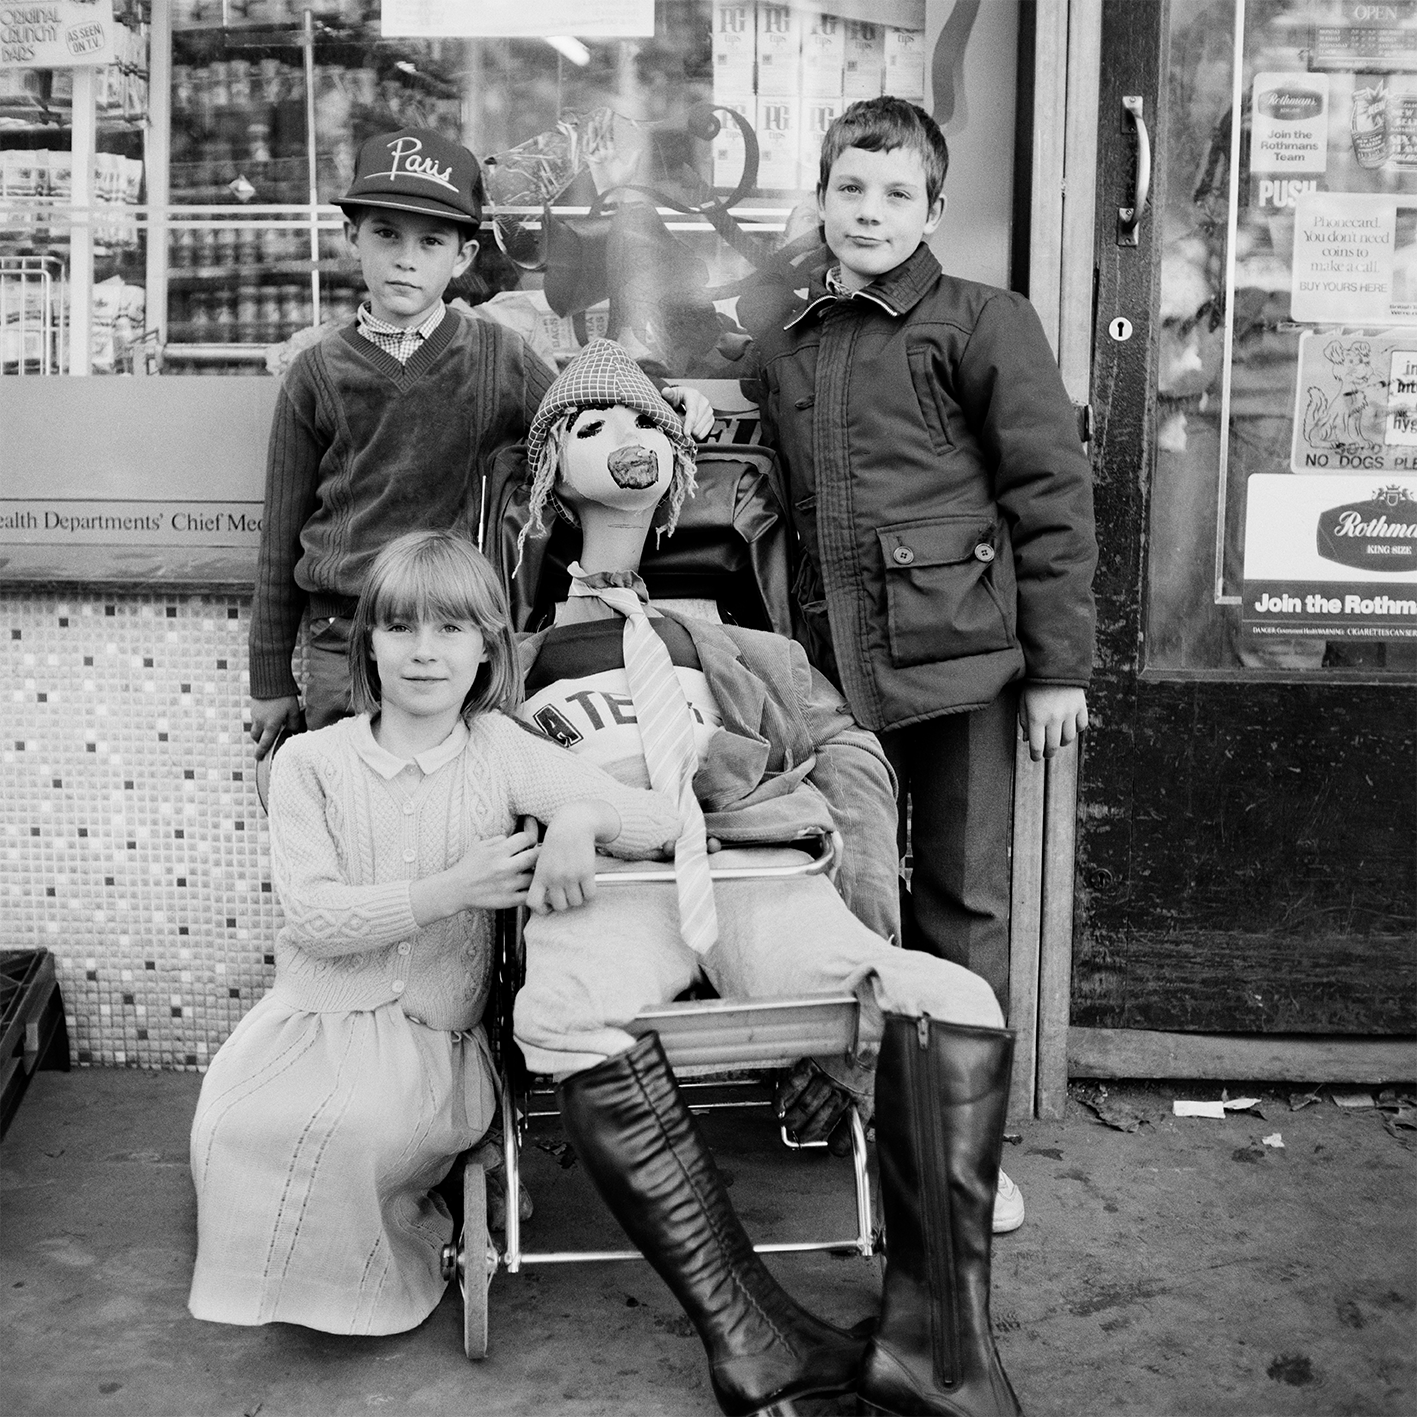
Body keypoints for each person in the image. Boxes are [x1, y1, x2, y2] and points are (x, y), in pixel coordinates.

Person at [510, 340, 1030, 1417]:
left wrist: (800, 817)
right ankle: (747, 1335)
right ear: (549, 474)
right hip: (606, 886)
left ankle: (938, 1351)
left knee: (954, 996)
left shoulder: (739, 645)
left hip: (753, 873)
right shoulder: (507, 654)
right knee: (558, 1011)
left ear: (677, 459)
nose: (627, 444)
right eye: (593, 429)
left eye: (646, 423)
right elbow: (449, 776)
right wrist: (552, 815)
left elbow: (842, 754)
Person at [189, 530, 679, 1334]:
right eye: (401, 628)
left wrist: (582, 818)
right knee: (234, 1128)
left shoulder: (500, 751)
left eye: (450, 629)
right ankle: (278, 1270)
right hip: (305, 1023)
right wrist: (450, 889)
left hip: (427, 1037)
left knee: (358, 1130)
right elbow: (312, 916)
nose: (424, 652)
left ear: (487, 649)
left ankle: (398, 1254)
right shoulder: (309, 762)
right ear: (368, 645)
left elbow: (660, 819)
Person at [745, 97, 1098, 1007]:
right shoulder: (790, 341)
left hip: (962, 664)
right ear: (818, 199)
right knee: (846, 878)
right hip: (834, 668)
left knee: (961, 894)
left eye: (898, 194)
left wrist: (1058, 668)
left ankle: (952, 1130)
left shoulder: (984, 321)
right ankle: (859, 1093)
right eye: (849, 188)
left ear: (932, 213)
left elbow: (1049, 495)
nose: (870, 211)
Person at [244, 124, 712, 758]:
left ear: (463, 257)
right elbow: (280, 536)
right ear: (352, 236)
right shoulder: (316, 372)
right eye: (386, 234)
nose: (406, 258)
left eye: (431, 241)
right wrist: (271, 679)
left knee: (462, 805)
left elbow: (576, 415)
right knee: (353, 800)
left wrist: (661, 405)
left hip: (462, 632)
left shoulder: (499, 356)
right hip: (345, 632)